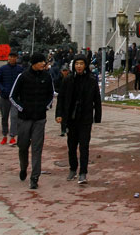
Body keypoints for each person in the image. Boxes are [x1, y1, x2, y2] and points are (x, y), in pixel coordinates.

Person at [9, 52, 54, 189]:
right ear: (34, 63)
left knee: (37, 148)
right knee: (22, 146)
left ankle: (35, 177)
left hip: (40, 119)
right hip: (24, 119)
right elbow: (12, 96)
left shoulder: (47, 77)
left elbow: (51, 94)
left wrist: (45, 107)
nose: (43, 64)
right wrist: (21, 108)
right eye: (41, 61)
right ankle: (23, 167)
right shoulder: (23, 76)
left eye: (44, 61)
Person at [56, 53, 101, 184]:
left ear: (85, 65)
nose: (79, 66)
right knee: (71, 145)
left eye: (81, 64)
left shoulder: (91, 80)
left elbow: (97, 99)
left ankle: (83, 172)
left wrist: (97, 116)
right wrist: (59, 114)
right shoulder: (68, 80)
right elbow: (61, 98)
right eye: (77, 64)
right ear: (74, 65)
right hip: (71, 118)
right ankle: (73, 168)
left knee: (84, 146)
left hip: (85, 118)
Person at [0, 51, 24, 145]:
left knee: (14, 116)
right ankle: (4, 135)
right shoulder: (3, 69)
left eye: (14, 57)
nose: (12, 59)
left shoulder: (20, 69)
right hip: (4, 97)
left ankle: (12, 136)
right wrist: (2, 89)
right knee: (4, 116)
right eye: (10, 57)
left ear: (16, 58)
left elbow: (22, 82)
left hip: (15, 98)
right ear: (8, 58)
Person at [55, 65, 70, 136]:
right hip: (61, 97)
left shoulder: (70, 78)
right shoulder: (58, 78)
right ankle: (63, 129)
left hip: (69, 97)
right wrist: (60, 91)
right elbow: (55, 87)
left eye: (66, 71)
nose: (65, 72)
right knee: (62, 113)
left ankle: (67, 127)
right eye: (64, 71)